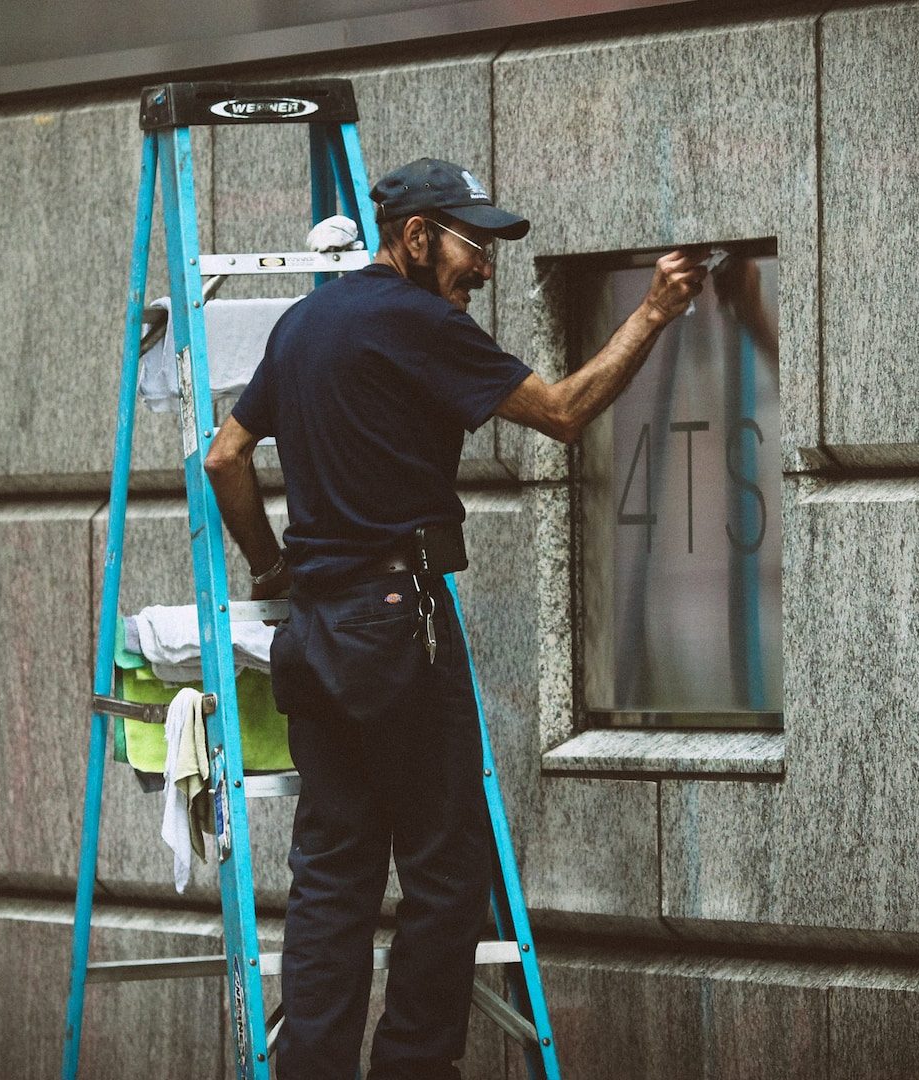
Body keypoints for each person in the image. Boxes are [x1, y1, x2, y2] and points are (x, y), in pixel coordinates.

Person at [203, 157, 708, 1080]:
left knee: (332, 880)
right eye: (473, 245)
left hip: (314, 635)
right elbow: (559, 412)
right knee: (443, 876)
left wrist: (272, 565)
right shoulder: (415, 322)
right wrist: (654, 314)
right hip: (400, 626)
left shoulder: (304, 323)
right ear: (416, 235)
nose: (484, 268)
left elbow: (225, 457)